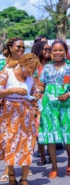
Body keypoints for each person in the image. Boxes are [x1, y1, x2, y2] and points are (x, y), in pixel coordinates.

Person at [37, 39, 70, 179]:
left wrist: (69, 95)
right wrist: (37, 91)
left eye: (60, 50)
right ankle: (54, 166)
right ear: (51, 53)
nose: (57, 53)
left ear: (65, 52)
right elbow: (41, 85)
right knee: (51, 136)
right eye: (54, 50)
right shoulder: (47, 68)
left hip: (65, 105)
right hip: (49, 106)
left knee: (66, 135)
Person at [0, 53, 41, 185]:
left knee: (27, 144)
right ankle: (11, 175)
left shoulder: (30, 79)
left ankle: (24, 178)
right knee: (9, 144)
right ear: (23, 65)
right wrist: (12, 90)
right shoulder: (7, 73)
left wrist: (36, 96)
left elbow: (35, 92)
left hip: (26, 114)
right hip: (9, 114)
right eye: (31, 68)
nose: (33, 71)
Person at [0, 37, 25, 182]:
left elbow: (36, 84)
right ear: (10, 47)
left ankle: (23, 175)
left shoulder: (26, 65)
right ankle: (9, 172)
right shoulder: (3, 66)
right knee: (8, 140)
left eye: (23, 47)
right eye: (18, 47)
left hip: (24, 108)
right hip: (6, 108)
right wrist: (12, 90)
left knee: (23, 140)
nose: (21, 50)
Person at [31, 40, 52, 166]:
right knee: (39, 129)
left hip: (51, 99)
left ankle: (51, 154)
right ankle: (42, 156)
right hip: (37, 99)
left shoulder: (53, 64)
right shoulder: (33, 66)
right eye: (45, 49)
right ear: (39, 50)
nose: (48, 51)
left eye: (49, 49)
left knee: (50, 127)